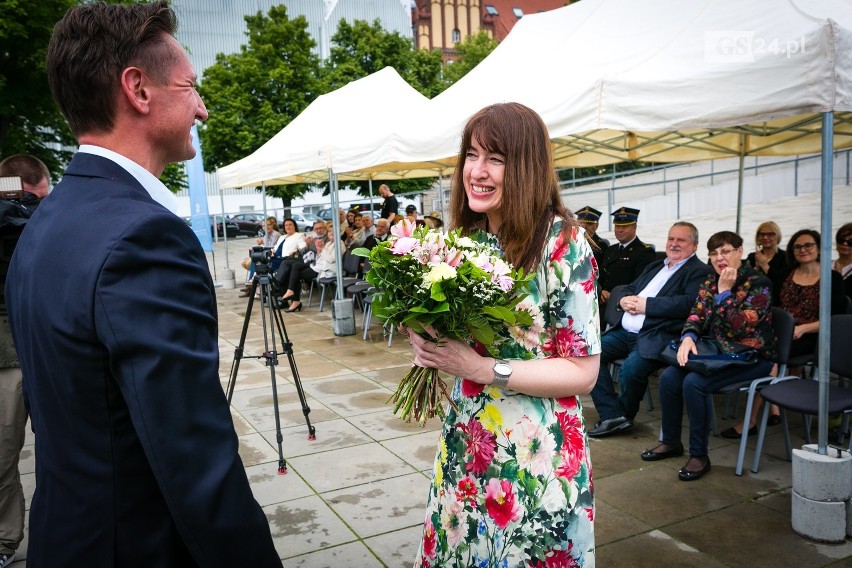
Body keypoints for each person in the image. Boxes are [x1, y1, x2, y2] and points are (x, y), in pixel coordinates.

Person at [4, 3, 280, 565]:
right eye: (190, 87)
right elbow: (193, 456)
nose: (201, 108)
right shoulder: (145, 237)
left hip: (65, 536)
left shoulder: (47, 220)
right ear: (139, 89)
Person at [406, 103, 601, 567]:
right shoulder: (468, 240)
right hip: (466, 443)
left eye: (495, 158)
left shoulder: (563, 243)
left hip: (533, 456)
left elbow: (583, 372)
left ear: (527, 166)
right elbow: (464, 340)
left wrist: (479, 368)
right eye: (471, 155)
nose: (477, 170)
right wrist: (430, 341)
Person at [641, 231, 775, 481]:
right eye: (714, 253)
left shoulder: (758, 283)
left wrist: (724, 294)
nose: (719, 258)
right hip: (715, 352)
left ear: (740, 251)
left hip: (752, 356)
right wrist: (689, 336)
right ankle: (670, 441)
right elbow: (697, 314)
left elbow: (740, 328)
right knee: (670, 376)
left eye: (725, 251)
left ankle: (699, 455)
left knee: (694, 383)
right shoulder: (710, 281)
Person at [588, 222, 712, 437]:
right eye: (671, 239)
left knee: (630, 370)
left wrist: (647, 305)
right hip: (623, 331)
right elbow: (629, 287)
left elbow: (688, 303)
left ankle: (621, 415)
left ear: (694, 245)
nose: (674, 244)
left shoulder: (699, 271)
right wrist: (624, 300)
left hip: (656, 335)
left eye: (681, 240)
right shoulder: (656, 265)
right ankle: (613, 415)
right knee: (589, 355)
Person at [728, 228, 847, 437]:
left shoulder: (833, 278)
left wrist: (803, 328)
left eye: (808, 245)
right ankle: (771, 404)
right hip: (780, 331)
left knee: (769, 353)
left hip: (812, 335)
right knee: (752, 342)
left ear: (818, 248)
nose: (803, 250)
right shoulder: (785, 274)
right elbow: (770, 305)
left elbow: (834, 318)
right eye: (797, 246)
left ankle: (751, 420)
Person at [0, 154, 48, 568]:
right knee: (2, 458)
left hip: (49, 349)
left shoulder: (51, 217)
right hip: (8, 356)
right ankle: (4, 542)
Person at [598, 206, 656, 304]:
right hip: (602, 301)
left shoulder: (645, 252)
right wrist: (600, 291)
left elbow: (639, 284)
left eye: (624, 226)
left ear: (635, 227)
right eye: (617, 226)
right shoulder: (611, 250)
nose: (620, 230)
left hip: (624, 303)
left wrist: (613, 295)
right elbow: (600, 276)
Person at [277, 233, 339, 313]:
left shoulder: (339, 244)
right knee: (295, 267)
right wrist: (318, 249)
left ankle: (294, 299)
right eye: (330, 234)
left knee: (295, 274)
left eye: (333, 234)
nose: (331, 236)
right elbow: (319, 257)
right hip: (316, 265)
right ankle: (291, 292)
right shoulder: (327, 243)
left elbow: (331, 259)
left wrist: (321, 248)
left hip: (325, 269)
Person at [745, 221, 788, 304]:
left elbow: (781, 283)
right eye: (762, 234)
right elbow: (746, 283)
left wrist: (764, 265)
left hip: (776, 300)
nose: (765, 237)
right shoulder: (752, 257)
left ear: (777, 236)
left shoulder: (785, 257)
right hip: (753, 299)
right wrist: (756, 268)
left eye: (770, 234)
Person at [239, 216, 280, 297]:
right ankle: (251, 285)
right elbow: (265, 246)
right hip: (267, 256)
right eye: (264, 226)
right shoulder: (266, 235)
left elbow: (270, 247)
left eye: (268, 225)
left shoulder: (275, 234)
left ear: (272, 225)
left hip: (273, 257)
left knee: (254, 262)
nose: (266, 227)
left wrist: (262, 245)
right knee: (249, 261)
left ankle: (251, 284)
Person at [833, 222, 852, 302]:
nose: (845, 244)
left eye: (850, 242)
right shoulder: (824, 265)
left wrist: (837, 277)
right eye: (841, 240)